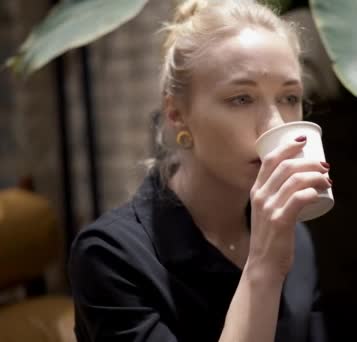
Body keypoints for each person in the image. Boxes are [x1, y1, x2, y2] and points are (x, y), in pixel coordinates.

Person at [68, 0, 331, 341]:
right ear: (176, 113)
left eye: (289, 97)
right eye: (241, 99)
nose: (275, 125)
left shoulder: (292, 235)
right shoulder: (110, 257)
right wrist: (263, 269)